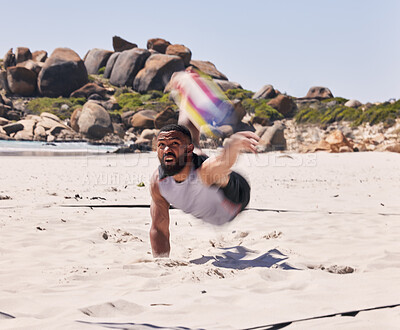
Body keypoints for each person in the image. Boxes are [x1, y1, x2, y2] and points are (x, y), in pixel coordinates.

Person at [150, 124, 259, 257]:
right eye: (161, 145)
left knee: (209, 173)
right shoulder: (158, 183)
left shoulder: (204, 171)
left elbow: (223, 162)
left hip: (236, 196)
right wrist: (161, 262)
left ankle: (195, 146)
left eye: (174, 143)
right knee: (187, 133)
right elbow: (158, 228)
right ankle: (187, 111)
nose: (166, 149)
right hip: (196, 166)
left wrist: (233, 146)